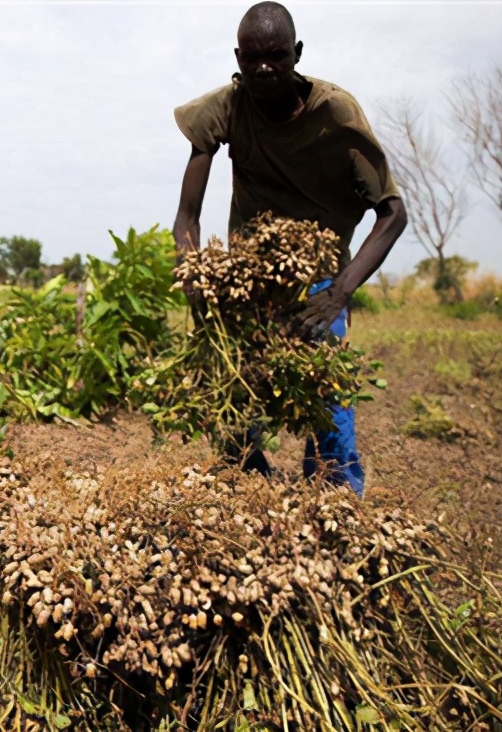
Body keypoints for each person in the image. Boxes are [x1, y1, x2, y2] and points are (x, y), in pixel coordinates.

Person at [172, 2, 408, 496]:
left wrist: (339, 293)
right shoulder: (228, 107)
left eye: (276, 56)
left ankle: (337, 504)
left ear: (296, 53)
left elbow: (392, 213)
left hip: (321, 277)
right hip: (250, 274)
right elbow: (187, 217)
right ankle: (245, 489)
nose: (264, 69)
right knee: (237, 390)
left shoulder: (335, 113)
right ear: (237, 58)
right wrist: (193, 273)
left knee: (326, 395)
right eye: (252, 58)